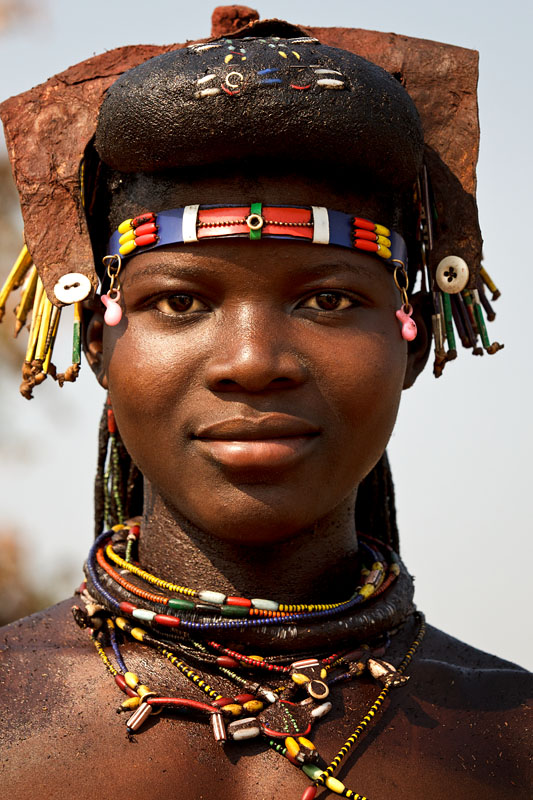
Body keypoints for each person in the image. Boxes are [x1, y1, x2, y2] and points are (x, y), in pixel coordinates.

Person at [0, 8, 529, 800]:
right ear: (98, 343)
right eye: (179, 303)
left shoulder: (511, 738)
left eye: (325, 299)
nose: (252, 363)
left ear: (412, 342)